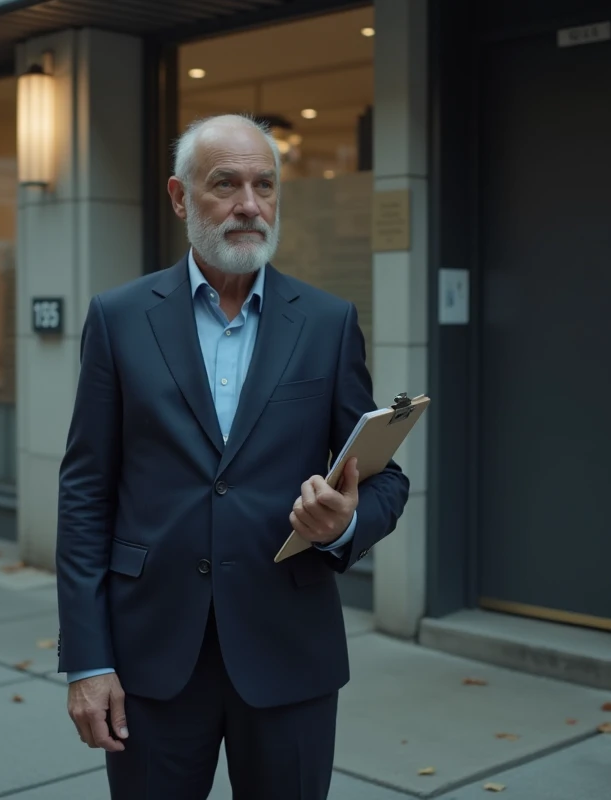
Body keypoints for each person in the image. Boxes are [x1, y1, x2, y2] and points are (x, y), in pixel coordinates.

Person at [56, 113, 410, 799]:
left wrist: (344, 526)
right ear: (180, 197)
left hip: (289, 652)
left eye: (265, 185)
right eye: (226, 184)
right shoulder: (119, 318)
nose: (250, 204)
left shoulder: (328, 323)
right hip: (150, 657)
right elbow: (85, 494)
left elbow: (386, 481)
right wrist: (87, 661)